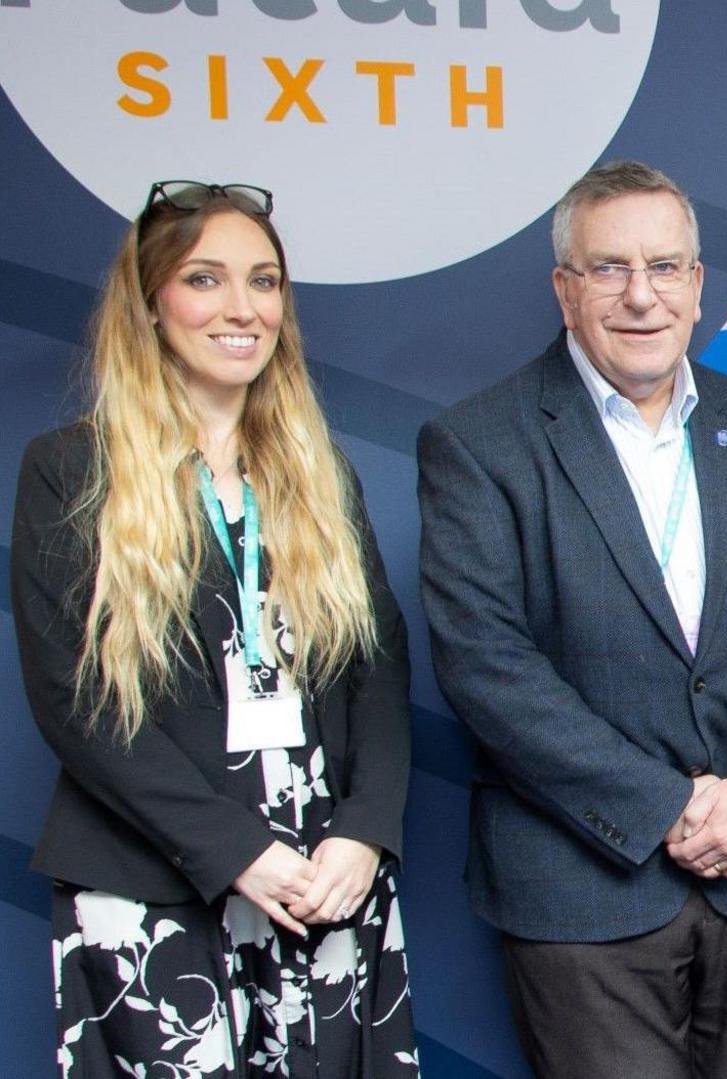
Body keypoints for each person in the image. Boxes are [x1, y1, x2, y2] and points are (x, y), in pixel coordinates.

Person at [416, 160, 727, 1078]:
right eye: (609, 268)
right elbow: (487, 665)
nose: (640, 296)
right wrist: (666, 806)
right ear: (565, 290)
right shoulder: (479, 443)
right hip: (582, 886)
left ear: (696, 284)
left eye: (665, 267)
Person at [10, 181, 417, 1078]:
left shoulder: (318, 472)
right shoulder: (72, 470)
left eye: (265, 282)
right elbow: (75, 703)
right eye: (206, 279)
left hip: (323, 881)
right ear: (152, 304)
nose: (243, 309)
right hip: (151, 878)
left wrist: (365, 829)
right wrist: (236, 853)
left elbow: (380, 669)